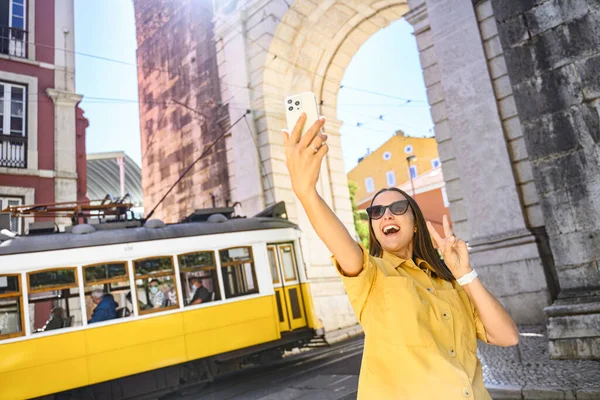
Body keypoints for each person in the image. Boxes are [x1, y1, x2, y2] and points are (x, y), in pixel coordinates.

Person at [282, 114, 519, 399]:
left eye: (396, 207)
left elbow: (507, 337)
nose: (386, 215)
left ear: (415, 221)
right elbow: (342, 244)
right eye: (376, 212)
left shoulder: (450, 283)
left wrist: (465, 274)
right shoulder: (371, 276)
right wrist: (306, 192)